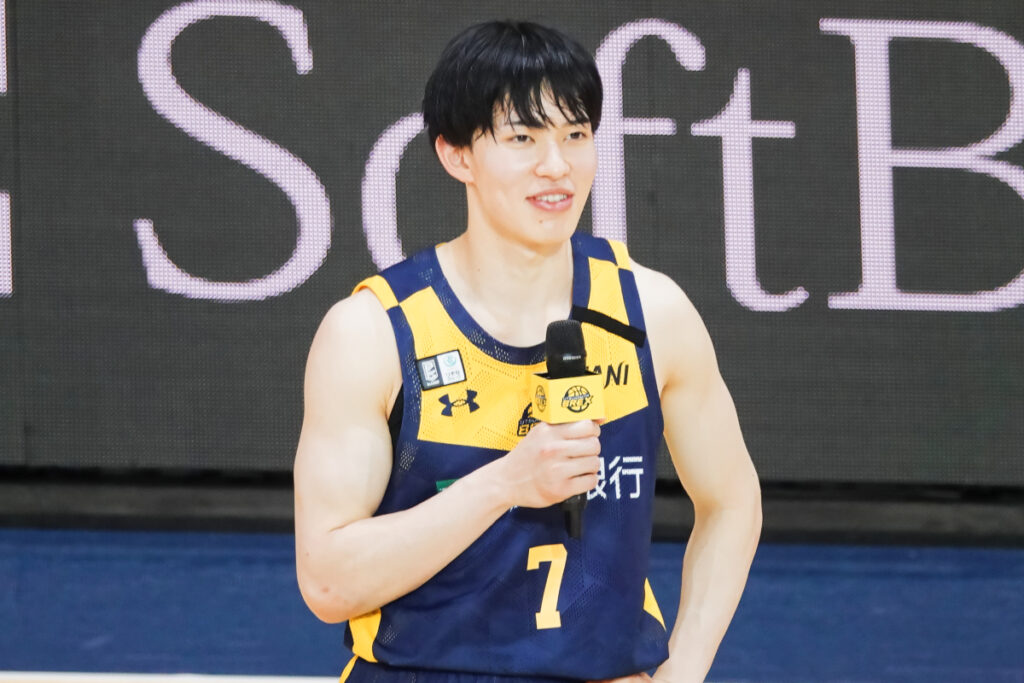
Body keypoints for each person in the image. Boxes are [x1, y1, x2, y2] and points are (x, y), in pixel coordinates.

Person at [293, 20, 761, 683]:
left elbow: (732, 502)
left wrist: (681, 673)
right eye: (523, 138)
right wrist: (508, 483)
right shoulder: (371, 333)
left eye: (576, 135)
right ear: (457, 155)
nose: (557, 166)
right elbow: (327, 584)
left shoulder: (652, 313)